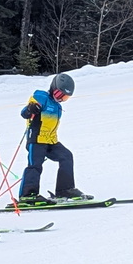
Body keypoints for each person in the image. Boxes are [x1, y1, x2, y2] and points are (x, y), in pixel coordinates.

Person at [18, 73, 85, 205]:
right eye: (59, 94)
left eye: (64, 97)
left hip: (51, 141)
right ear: (53, 88)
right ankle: (27, 195)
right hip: (36, 140)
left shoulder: (57, 106)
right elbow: (24, 113)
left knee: (66, 156)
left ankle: (65, 190)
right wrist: (31, 108)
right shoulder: (41, 96)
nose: (60, 99)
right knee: (35, 166)